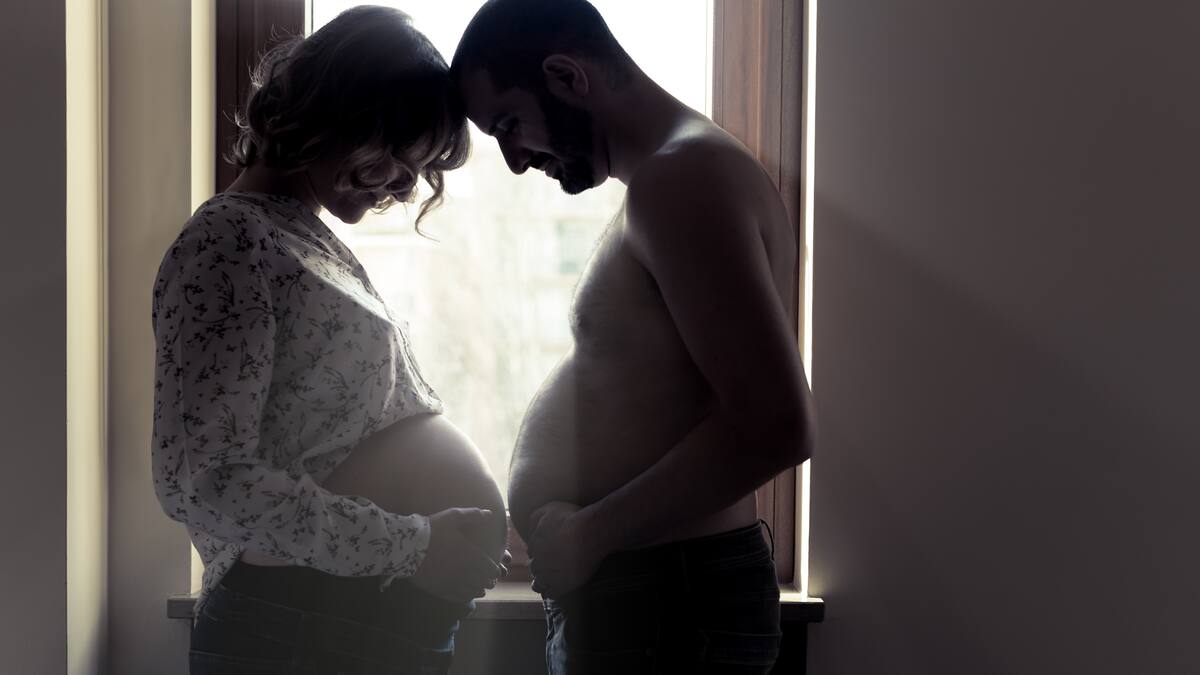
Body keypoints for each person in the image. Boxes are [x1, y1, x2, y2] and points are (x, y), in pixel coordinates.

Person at [452, 0, 817, 672]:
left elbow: (778, 424)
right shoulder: (674, 179)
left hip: (667, 600)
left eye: (508, 125)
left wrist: (591, 533)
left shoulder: (682, 180)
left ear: (566, 76)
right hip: (657, 593)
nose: (511, 159)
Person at [151, 7, 510, 674]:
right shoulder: (230, 241)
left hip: (339, 620)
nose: (406, 185)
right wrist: (417, 543)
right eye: (400, 153)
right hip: (299, 627)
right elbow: (212, 482)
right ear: (337, 112)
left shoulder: (298, 238)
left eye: (422, 166)